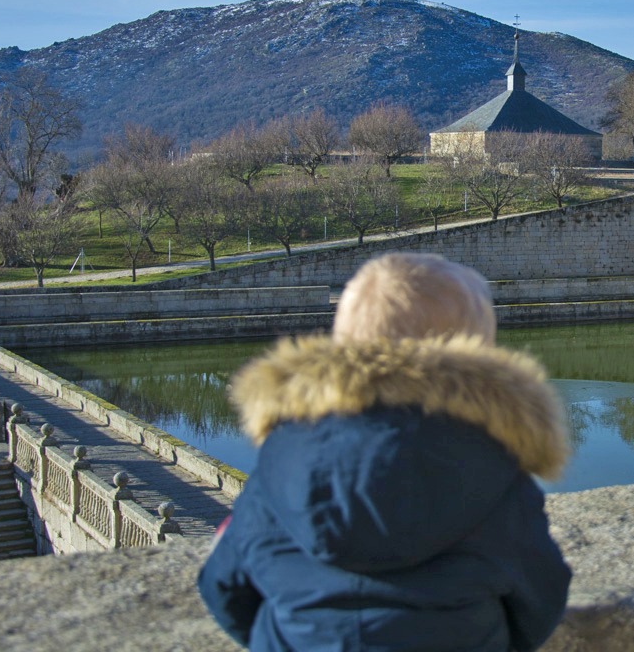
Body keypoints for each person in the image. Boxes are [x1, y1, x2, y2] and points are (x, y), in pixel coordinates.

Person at [198, 253, 572, 651]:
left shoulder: (285, 457)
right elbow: (542, 598)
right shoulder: (495, 468)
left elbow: (223, 587)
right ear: (478, 360)